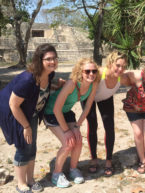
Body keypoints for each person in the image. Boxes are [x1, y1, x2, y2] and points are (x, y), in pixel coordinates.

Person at [0, 44, 58, 193]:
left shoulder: (49, 75)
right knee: (23, 146)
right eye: (48, 59)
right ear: (39, 60)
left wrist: (56, 86)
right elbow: (13, 104)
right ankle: (21, 183)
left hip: (31, 112)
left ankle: (30, 179)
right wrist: (26, 127)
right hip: (13, 111)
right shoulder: (27, 79)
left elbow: (42, 90)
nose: (53, 61)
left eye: (55, 58)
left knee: (32, 146)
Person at [43, 58, 100, 188]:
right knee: (68, 143)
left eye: (94, 71)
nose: (91, 74)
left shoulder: (94, 84)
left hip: (67, 112)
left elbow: (87, 107)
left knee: (78, 140)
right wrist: (67, 130)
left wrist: (77, 126)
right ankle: (56, 174)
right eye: (87, 71)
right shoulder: (71, 84)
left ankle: (73, 169)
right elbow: (57, 109)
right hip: (52, 112)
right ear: (80, 72)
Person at [81, 51, 128, 176]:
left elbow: (139, 78)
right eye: (117, 65)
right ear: (110, 63)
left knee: (109, 127)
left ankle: (108, 160)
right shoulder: (99, 73)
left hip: (105, 97)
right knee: (92, 125)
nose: (120, 69)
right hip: (88, 97)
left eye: (123, 66)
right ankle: (93, 159)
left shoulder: (122, 77)